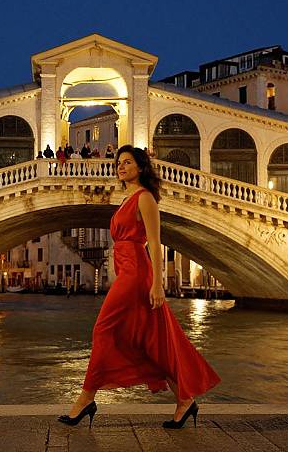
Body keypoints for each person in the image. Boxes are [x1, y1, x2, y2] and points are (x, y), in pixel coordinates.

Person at [58, 145, 220, 429]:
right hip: (126, 272)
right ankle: (185, 400)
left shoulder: (145, 198)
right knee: (151, 340)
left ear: (141, 167)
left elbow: (155, 243)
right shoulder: (126, 198)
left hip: (136, 273)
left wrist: (157, 283)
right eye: (118, 163)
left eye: (128, 162)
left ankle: (85, 399)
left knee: (103, 329)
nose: (121, 167)